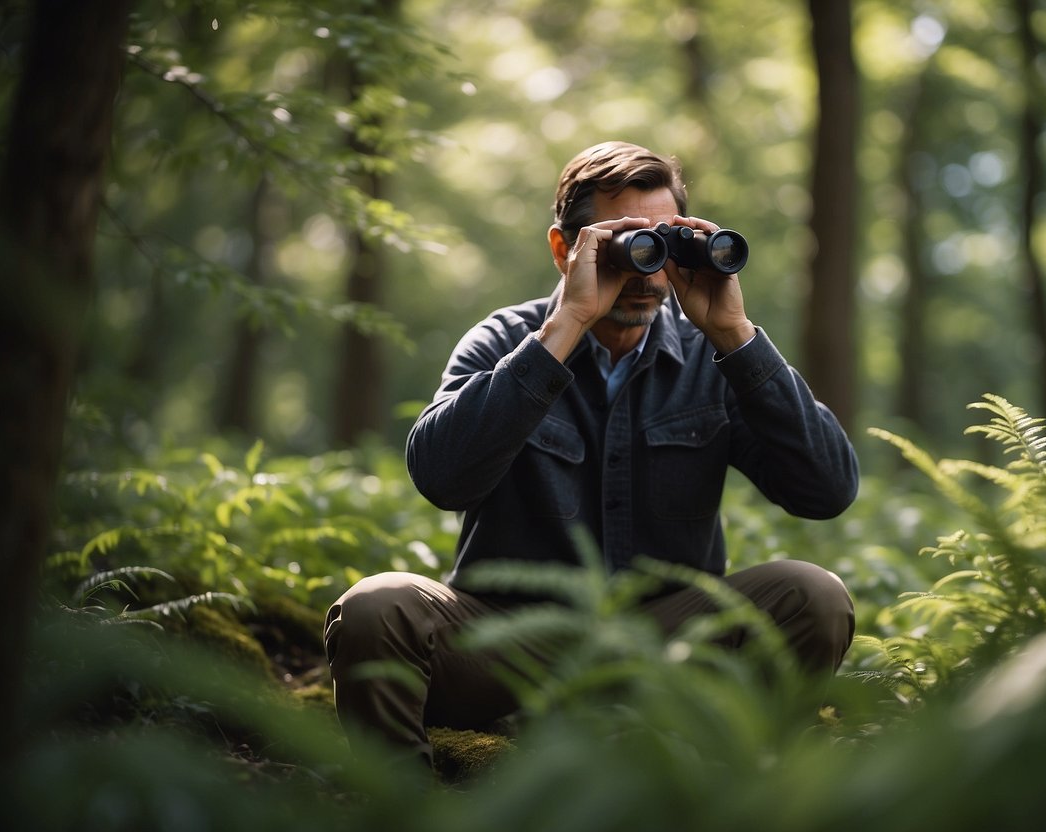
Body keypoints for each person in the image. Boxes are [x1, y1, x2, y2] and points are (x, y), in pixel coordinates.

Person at [324, 140, 860, 768]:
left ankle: (736, 791)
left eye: (665, 243)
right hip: (507, 644)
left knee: (812, 594)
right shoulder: (505, 340)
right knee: (374, 607)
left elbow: (826, 490)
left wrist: (735, 336)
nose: (646, 269)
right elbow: (442, 477)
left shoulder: (710, 358)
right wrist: (565, 327)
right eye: (626, 241)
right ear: (563, 249)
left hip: (667, 647)